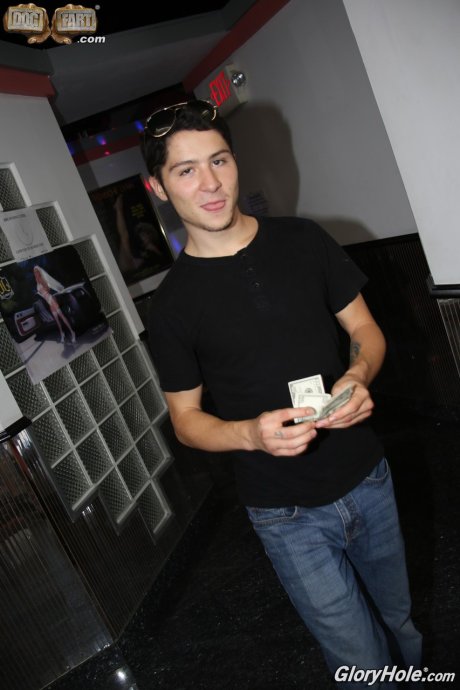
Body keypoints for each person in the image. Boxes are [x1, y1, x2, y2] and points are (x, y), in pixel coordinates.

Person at [141, 100, 422, 687]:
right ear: (158, 187)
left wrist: (358, 376)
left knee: (402, 621)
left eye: (219, 160)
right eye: (186, 170)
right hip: (285, 512)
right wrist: (250, 434)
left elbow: (365, 330)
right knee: (362, 665)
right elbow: (186, 419)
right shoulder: (170, 307)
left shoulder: (303, 239)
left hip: (367, 476)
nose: (210, 183)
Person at [33, 265, 76, 344]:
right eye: (34, 272)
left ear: (39, 272)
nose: (35, 273)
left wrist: (44, 288)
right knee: (57, 320)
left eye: (36, 271)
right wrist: (40, 292)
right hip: (49, 302)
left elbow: (48, 289)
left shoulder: (42, 280)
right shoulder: (37, 282)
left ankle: (72, 332)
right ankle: (62, 334)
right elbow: (42, 292)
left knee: (62, 317)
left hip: (51, 300)